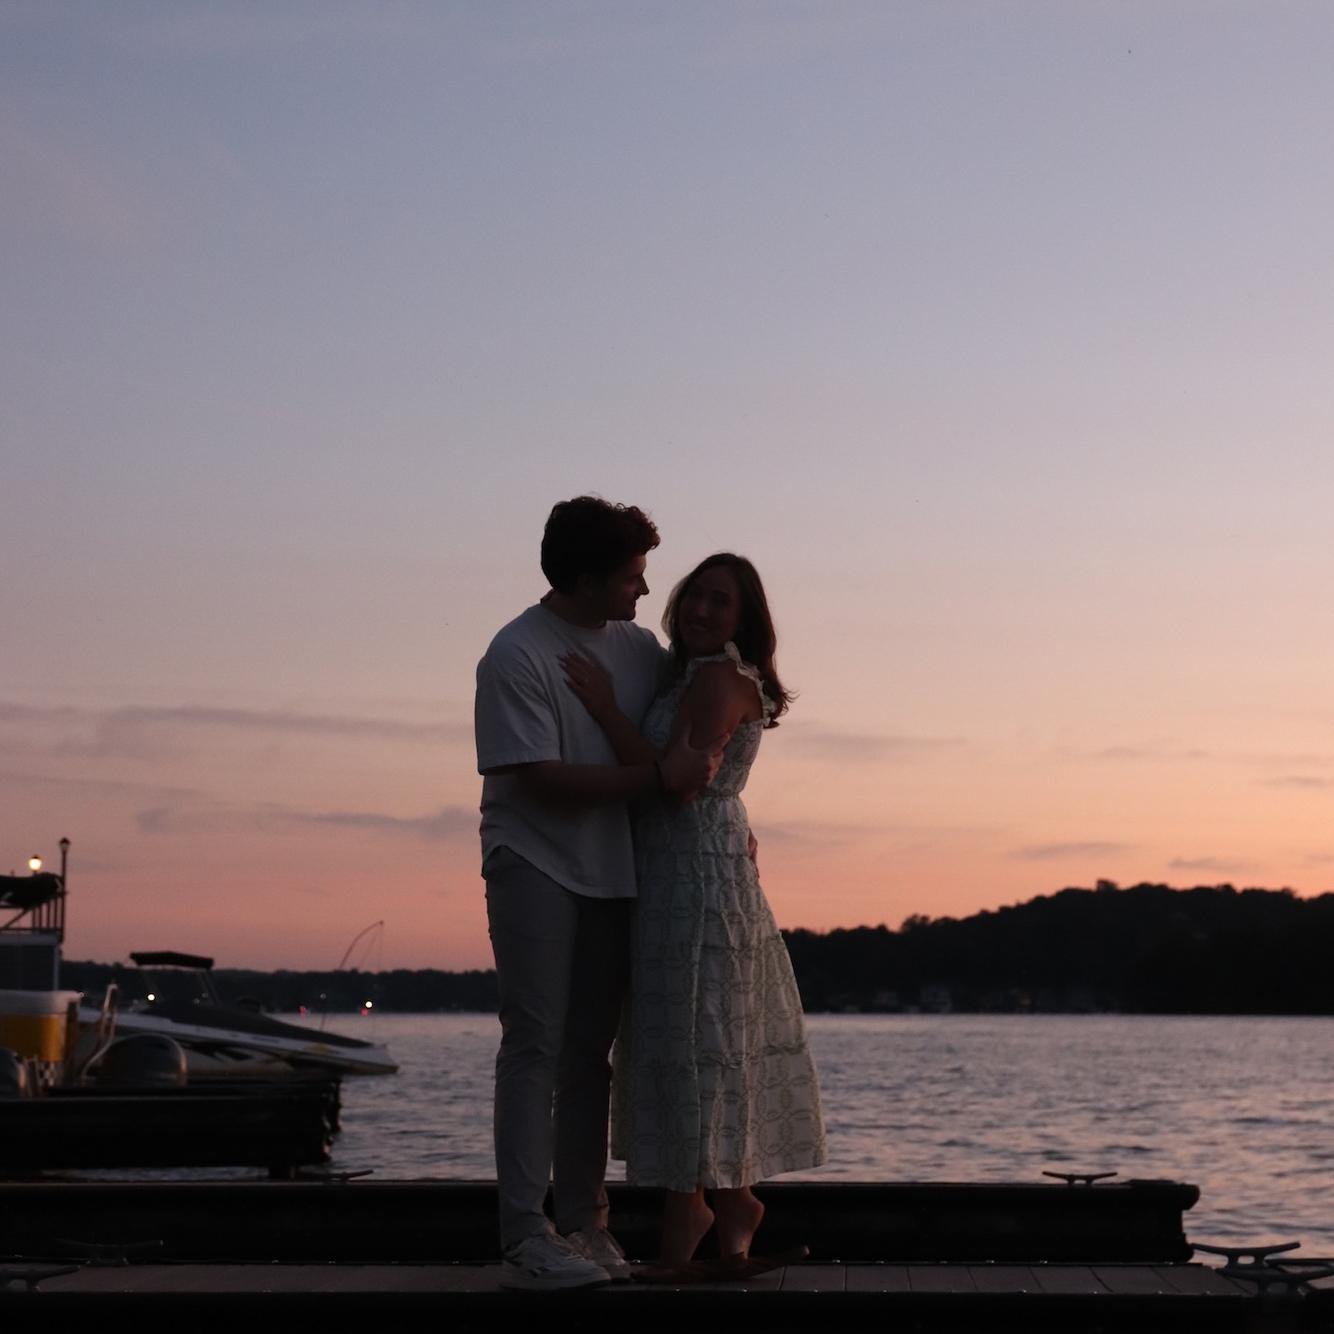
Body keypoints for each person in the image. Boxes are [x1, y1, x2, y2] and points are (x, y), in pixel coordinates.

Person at [473, 497, 722, 1292]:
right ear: (584, 581)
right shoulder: (516, 653)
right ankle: (525, 1235)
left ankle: (583, 1223)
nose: (644, 591)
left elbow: (687, 734)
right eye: (630, 578)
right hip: (533, 861)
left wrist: (723, 815)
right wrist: (656, 779)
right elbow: (539, 780)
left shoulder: (638, 648)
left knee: (590, 1056)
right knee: (535, 1044)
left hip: (616, 869)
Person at [561, 552, 827, 1273]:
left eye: (720, 602)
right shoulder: (690, 672)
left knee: (692, 1040)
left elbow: (674, 784)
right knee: (688, 1038)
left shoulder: (718, 679)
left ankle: (692, 1213)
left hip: (697, 881)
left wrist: (603, 707)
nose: (702, 610)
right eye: (695, 596)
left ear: (745, 620)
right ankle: (732, 1201)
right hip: (673, 870)